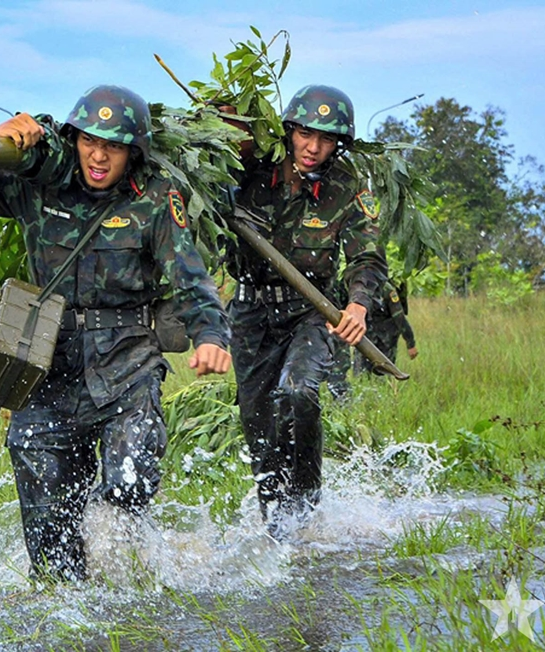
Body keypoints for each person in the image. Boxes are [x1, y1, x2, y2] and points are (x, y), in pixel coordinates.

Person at [0, 85, 232, 581]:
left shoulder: (155, 199)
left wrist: (211, 336)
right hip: (49, 363)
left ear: (133, 152)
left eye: (112, 146)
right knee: (47, 527)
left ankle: (128, 574)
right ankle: (67, 603)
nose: (98, 155)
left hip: (127, 363)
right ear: (74, 140)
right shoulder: (37, 184)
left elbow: (190, 279)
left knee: (129, 482)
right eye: (90, 142)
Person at [225, 85, 388, 536]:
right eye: (304, 134)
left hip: (312, 312)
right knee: (258, 420)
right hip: (250, 312)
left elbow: (368, 257)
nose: (313, 147)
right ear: (290, 131)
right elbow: (215, 145)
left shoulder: (348, 187)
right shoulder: (254, 168)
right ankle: (274, 524)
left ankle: (306, 507)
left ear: (339, 145)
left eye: (326, 139)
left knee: (296, 393)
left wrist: (356, 305)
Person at [353, 278, 418, 376]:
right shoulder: (359, 287)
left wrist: (410, 343)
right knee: (363, 375)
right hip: (367, 335)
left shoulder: (386, 289)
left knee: (379, 374)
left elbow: (399, 317)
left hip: (384, 337)